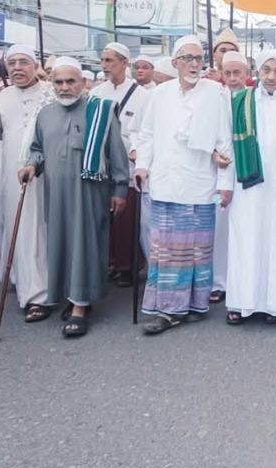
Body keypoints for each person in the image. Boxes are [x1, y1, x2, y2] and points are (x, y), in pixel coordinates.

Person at [20, 57, 130, 338]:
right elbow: (37, 149)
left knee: (85, 245)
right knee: (61, 245)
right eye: (59, 82)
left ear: (83, 83)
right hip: (56, 195)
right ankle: (72, 296)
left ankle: (81, 306)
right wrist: (32, 165)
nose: (65, 87)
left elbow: (117, 154)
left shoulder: (101, 112)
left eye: (71, 81)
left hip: (90, 194)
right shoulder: (45, 115)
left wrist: (120, 190)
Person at [133, 36, 234, 335]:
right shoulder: (159, 94)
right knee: (167, 250)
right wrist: (141, 167)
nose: (193, 63)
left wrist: (226, 183)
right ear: (174, 62)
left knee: (197, 250)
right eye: (187, 58)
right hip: (165, 182)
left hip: (201, 184)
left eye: (198, 58)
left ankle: (195, 304)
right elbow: (146, 134)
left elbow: (224, 140)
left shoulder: (217, 92)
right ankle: (169, 310)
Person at [0, 44, 57, 323]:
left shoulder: (50, 93)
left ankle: (39, 295)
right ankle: (20, 276)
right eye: (12, 63)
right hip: (10, 173)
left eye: (24, 62)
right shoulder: (4, 95)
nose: (17, 67)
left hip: (42, 174)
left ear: (35, 66)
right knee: (16, 228)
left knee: (38, 231)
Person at [224, 50, 276, 325]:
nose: (271, 76)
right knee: (246, 240)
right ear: (258, 72)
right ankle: (242, 302)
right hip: (248, 185)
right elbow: (226, 144)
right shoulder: (241, 101)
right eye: (266, 70)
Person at [92, 42, 151, 289]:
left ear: (124, 63)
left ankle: (129, 265)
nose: (105, 66)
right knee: (103, 216)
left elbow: (146, 130)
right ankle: (110, 262)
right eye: (103, 61)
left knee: (127, 218)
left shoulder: (143, 95)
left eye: (110, 61)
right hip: (102, 164)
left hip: (128, 163)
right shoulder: (96, 93)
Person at [209, 50, 252, 306]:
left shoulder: (255, 98)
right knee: (221, 228)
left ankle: (245, 281)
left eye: (238, 73)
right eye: (228, 73)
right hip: (221, 172)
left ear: (247, 75)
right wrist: (213, 152)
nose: (233, 78)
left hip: (251, 170)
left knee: (248, 228)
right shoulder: (214, 98)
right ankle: (219, 282)